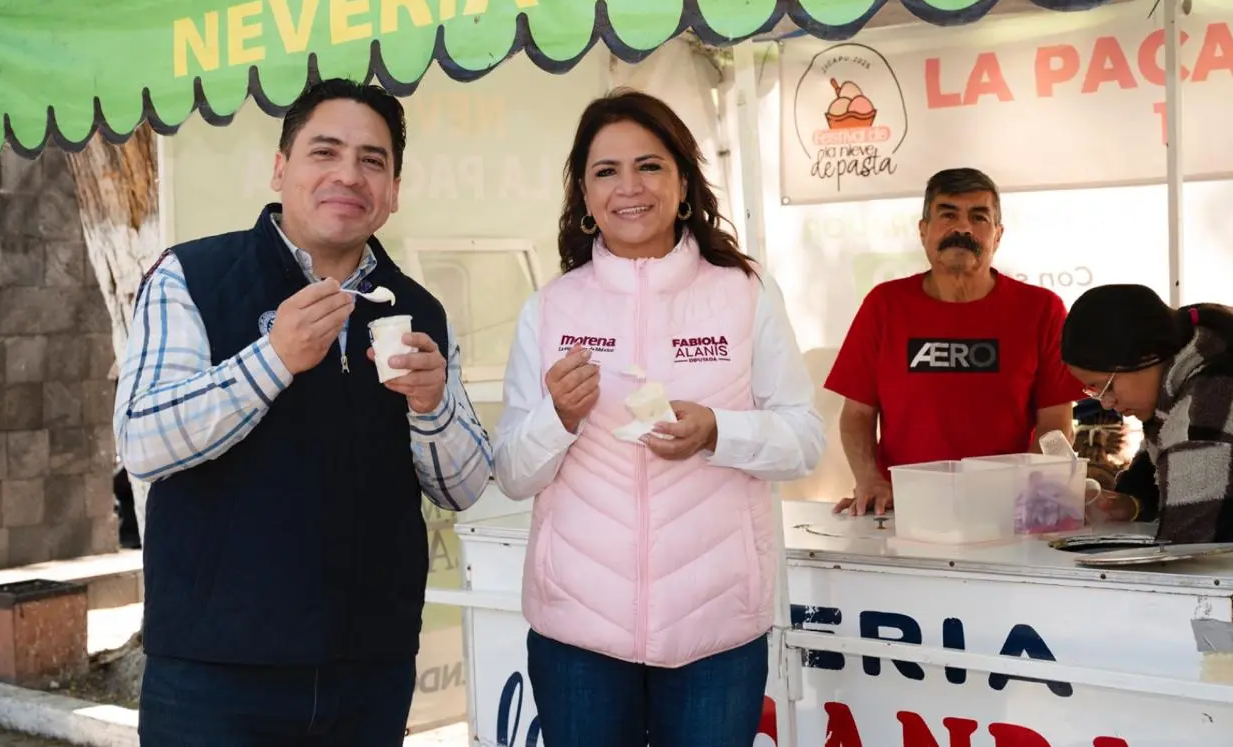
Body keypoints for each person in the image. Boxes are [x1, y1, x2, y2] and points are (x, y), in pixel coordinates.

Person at [113, 78, 493, 746]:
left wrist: (431, 406)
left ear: (395, 190)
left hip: (367, 673)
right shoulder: (193, 276)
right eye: (326, 151)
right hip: (215, 674)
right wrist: (274, 358)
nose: (349, 174)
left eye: (373, 160)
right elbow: (143, 440)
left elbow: (463, 485)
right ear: (281, 166)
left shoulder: (417, 309)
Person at [493, 89, 826, 747]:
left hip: (716, 629)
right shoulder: (550, 307)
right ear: (583, 196)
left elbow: (804, 439)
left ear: (683, 182)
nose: (629, 187)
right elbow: (511, 470)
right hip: (578, 634)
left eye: (649, 165)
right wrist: (557, 416)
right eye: (606, 171)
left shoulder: (744, 292)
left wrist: (719, 431)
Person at [826, 168, 1084, 515]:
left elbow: (1055, 423)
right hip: (905, 511)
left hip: (1005, 512)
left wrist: (1037, 492)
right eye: (948, 214)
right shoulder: (884, 305)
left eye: (979, 217)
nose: (962, 228)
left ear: (998, 235)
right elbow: (856, 415)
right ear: (923, 230)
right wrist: (869, 479)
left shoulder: (1040, 309)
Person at [1062, 284, 1233, 543]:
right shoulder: (1182, 366)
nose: (1106, 403)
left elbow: (1190, 546)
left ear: (1145, 356)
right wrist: (1132, 502)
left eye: (1106, 386)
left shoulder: (1212, 393)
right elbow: (1163, 453)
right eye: (1094, 392)